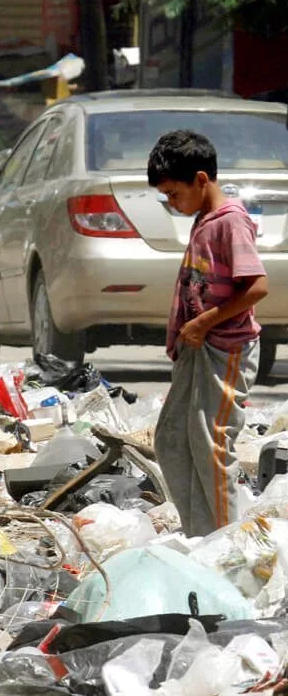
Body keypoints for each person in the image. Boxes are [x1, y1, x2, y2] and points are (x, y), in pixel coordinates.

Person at [149, 130, 269, 537]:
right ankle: (199, 533)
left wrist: (203, 322)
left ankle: (223, 543)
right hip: (197, 348)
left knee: (211, 444)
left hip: (226, 349)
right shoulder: (204, 219)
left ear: (201, 180)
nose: (170, 202)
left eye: (172, 192)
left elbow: (256, 287)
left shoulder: (231, 222)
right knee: (170, 439)